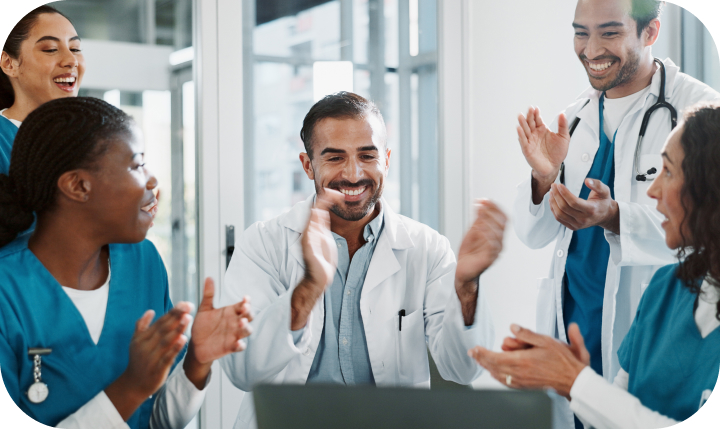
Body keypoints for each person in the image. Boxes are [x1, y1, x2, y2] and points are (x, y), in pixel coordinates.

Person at [220, 91, 503, 428]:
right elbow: (242, 371)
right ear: (308, 165)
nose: (353, 174)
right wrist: (307, 290)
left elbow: (463, 368)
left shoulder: (426, 248)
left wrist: (467, 287)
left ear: (387, 159)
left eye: (367, 156)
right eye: (335, 158)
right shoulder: (263, 243)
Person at [512, 0, 720, 426]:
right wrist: (543, 177)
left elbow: (707, 229)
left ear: (651, 31)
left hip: (654, 326)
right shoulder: (574, 117)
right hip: (575, 321)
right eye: (581, 33)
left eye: (609, 32)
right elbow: (533, 235)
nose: (591, 50)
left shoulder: (699, 113)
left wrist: (615, 216)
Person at [0, 97, 253, 429]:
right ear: (78, 186)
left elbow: (156, 420)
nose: (152, 181)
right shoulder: (8, 290)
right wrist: (131, 387)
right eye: (137, 165)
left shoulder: (143, 262)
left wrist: (196, 361)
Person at [471, 102, 720, 428]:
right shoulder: (664, 290)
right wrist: (574, 384)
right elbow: (618, 414)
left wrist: (577, 383)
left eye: (669, 171)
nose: (653, 189)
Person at [0, 5, 83, 175]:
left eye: (75, 49)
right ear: (9, 63)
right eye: (51, 49)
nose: (72, 60)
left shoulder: (93, 140)